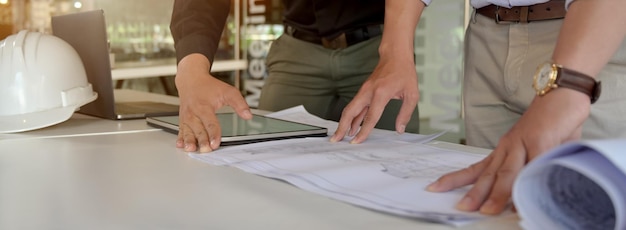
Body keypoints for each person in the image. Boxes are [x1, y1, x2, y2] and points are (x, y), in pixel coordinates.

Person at [423, 0, 626, 215]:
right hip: (486, 29)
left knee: (586, 204)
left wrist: (568, 82)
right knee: (492, 207)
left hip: (585, 34)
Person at [170, 0, 423, 153]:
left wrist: (397, 51)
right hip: (297, 47)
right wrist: (191, 71)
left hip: (379, 47)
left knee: (389, 158)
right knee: (266, 159)